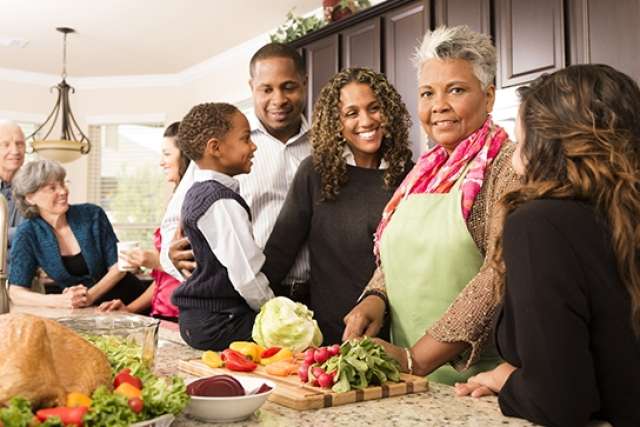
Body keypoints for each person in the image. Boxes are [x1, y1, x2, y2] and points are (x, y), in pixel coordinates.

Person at [455, 64, 640, 427]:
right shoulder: (622, 213)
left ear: (546, 144)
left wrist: (509, 380)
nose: (515, 151)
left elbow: (559, 401)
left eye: (521, 140)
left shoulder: (539, 225)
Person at [342, 25, 520, 385]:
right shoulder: (423, 172)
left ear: (488, 97)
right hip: (404, 374)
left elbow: (499, 272)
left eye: (455, 90)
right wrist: (374, 298)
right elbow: (399, 254)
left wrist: (418, 357)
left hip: (476, 382)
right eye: (427, 93)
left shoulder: (510, 166)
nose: (438, 106)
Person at [262, 68, 413, 345]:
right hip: (330, 335)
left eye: (374, 108)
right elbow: (278, 254)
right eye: (351, 113)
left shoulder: (413, 177)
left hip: (399, 335)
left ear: (388, 112)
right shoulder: (315, 173)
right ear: (336, 123)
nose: (366, 121)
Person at [161, 43, 311, 301]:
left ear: (304, 83)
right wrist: (171, 256)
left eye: (289, 87)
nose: (279, 100)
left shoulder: (325, 145)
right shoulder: (222, 147)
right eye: (267, 89)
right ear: (252, 87)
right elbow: (174, 222)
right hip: (247, 299)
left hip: (319, 293)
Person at [170, 103, 275, 350]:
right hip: (220, 321)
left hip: (200, 319)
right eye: (246, 139)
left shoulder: (199, 193)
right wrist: (274, 314)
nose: (253, 146)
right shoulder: (221, 201)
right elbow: (247, 274)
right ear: (215, 148)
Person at [8, 160, 147, 308]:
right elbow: (16, 291)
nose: (63, 191)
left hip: (130, 302)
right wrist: (58, 301)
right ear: (30, 198)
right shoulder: (28, 233)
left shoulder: (92, 215)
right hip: (85, 314)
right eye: (52, 188)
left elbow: (118, 267)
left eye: (63, 183)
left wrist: (89, 296)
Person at [98, 122, 189, 320]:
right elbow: (164, 281)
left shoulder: (193, 202)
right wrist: (129, 310)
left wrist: (151, 259)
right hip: (161, 313)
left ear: (185, 156)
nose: (161, 162)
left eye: (167, 154)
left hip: (181, 315)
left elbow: (193, 268)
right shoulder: (175, 200)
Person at [0, 121, 26, 245]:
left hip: (23, 263)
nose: (15, 151)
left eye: (19, 144)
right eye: (6, 144)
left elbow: (39, 231)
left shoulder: (36, 185)